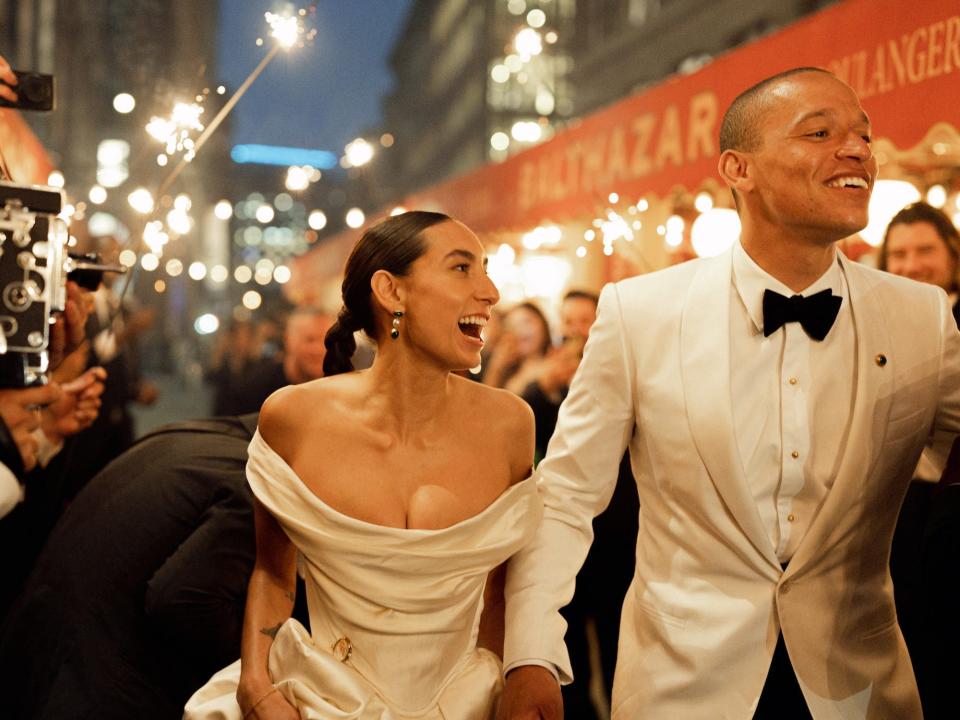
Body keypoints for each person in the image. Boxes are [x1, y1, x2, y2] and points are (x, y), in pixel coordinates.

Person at [498, 67, 960, 720]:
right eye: (820, 132)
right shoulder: (640, 312)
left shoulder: (923, 317)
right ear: (738, 169)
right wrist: (532, 651)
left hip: (856, 689)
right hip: (681, 688)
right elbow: (568, 495)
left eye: (863, 134)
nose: (856, 148)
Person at [185, 211, 542, 719]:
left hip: (468, 704)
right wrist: (257, 684)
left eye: (484, 269)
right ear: (391, 292)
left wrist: (521, 675)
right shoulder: (293, 418)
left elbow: (505, 591)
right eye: (462, 269)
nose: (490, 292)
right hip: (323, 702)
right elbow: (272, 573)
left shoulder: (511, 424)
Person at [0, 414, 264, 720]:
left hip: (38, 660)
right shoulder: (253, 479)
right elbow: (183, 603)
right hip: (93, 694)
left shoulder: (190, 431)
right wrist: (265, 657)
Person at [520, 290, 638, 719]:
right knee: (568, 638)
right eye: (569, 321)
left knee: (616, 635)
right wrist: (545, 386)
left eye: (585, 320)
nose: (576, 330)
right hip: (565, 522)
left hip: (619, 526)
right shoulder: (548, 374)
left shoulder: (624, 363)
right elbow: (529, 432)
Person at [878, 201, 960, 716]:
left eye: (924, 250)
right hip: (892, 517)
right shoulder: (876, 323)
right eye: (899, 253)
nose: (910, 265)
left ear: (952, 254)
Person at [228, 306, 334, 416]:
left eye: (326, 341)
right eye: (309, 340)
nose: (318, 349)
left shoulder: (339, 388)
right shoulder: (251, 389)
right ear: (288, 340)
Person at [483, 302, 553, 395]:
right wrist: (497, 368)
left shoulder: (558, 367)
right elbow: (485, 401)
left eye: (526, 322)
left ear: (543, 325)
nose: (520, 329)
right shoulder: (507, 372)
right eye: (512, 325)